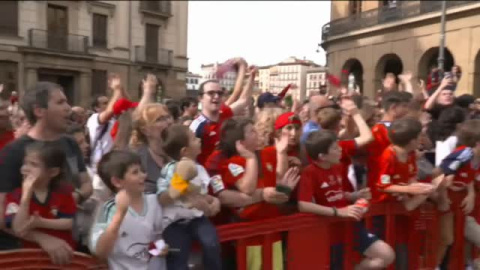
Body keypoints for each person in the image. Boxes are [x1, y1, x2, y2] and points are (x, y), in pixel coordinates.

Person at [0, 81, 91, 265]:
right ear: (39, 111)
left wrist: (74, 198)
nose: (69, 109)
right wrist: (42, 238)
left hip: (70, 249)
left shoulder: (70, 143)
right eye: (60, 103)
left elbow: (86, 184)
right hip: (27, 255)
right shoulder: (13, 152)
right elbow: (2, 215)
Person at [298, 130, 395, 269]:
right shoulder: (310, 172)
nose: (340, 149)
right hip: (330, 233)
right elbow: (303, 204)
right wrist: (338, 212)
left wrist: (353, 196)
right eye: (335, 148)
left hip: (350, 225)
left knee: (386, 255)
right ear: (322, 156)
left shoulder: (337, 167)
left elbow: (335, 193)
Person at [157, 124, 222, 270]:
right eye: (194, 138)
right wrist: (181, 186)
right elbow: (163, 197)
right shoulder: (170, 169)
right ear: (184, 151)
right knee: (178, 258)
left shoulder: (199, 168)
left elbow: (203, 195)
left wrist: (212, 202)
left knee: (211, 243)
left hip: (197, 219)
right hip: (174, 223)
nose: (199, 140)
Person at [89, 150, 168, 270]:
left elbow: (156, 237)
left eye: (142, 170)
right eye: (135, 172)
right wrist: (120, 215)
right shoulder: (109, 209)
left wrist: (160, 248)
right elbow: (100, 252)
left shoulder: (153, 201)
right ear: (117, 181)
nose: (143, 176)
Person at [4, 143, 76, 249]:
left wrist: (40, 222)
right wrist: (26, 196)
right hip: (31, 256)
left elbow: (68, 222)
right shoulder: (15, 195)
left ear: (53, 172)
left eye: (33, 164)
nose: (25, 168)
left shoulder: (63, 192)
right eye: (25, 163)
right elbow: (18, 228)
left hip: (63, 253)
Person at [435, 119, 480, 268]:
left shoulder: (475, 156)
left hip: (459, 203)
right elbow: (443, 174)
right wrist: (443, 196)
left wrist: (471, 193)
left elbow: (468, 177)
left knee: (461, 235)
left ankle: (467, 264)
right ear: (477, 142)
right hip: (445, 200)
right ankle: (434, 265)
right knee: (447, 238)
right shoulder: (463, 153)